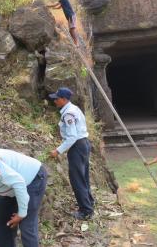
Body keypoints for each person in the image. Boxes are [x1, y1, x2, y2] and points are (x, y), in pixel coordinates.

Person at [49, 87, 94, 220]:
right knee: (83, 176)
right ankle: (89, 202)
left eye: (56, 99)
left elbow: (72, 137)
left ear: (63, 99)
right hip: (84, 143)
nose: (55, 101)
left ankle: (85, 211)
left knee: (77, 180)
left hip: (77, 146)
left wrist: (57, 151)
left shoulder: (68, 113)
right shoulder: (74, 109)